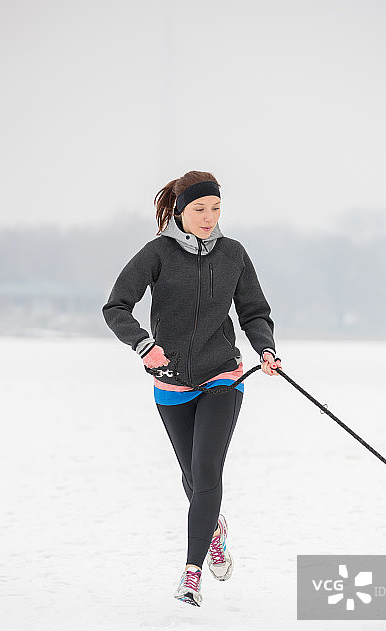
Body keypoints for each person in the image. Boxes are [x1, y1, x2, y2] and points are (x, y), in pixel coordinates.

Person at [102, 170, 281, 607]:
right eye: (200, 209)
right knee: (191, 476)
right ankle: (214, 529)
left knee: (206, 473)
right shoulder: (157, 254)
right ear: (180, 210)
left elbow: (254, 311)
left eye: (216, 208)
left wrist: (266, 349)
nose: (208, 217)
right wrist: (144, 345)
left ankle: (192, 573)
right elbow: (116, 306)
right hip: (171, 381)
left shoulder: (233, 254)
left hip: (224, 374)